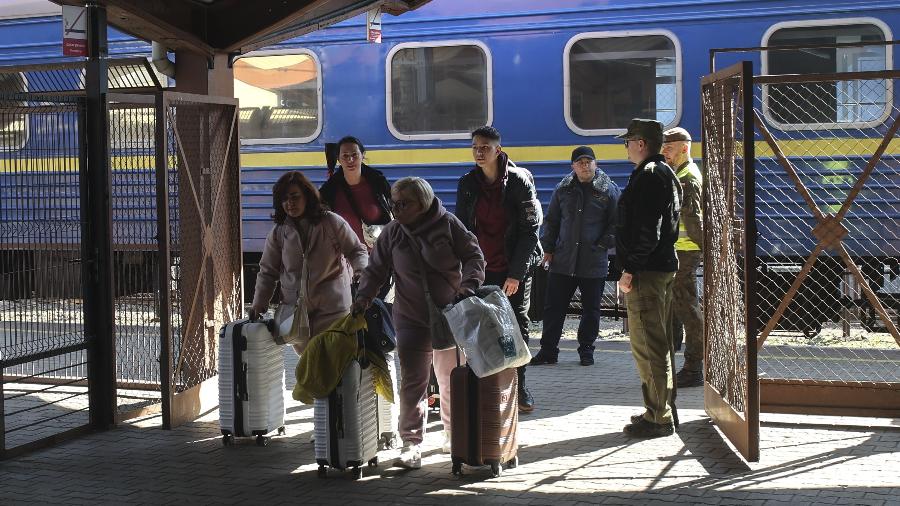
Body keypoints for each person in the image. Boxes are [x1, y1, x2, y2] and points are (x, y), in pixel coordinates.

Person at [352, 177, 485, 470]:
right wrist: (362, 299)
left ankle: (454, 434)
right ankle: (412, 443)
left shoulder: (448, 224)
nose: (395, 209)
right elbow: (375, 271)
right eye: (393, 203)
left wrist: (468, 286)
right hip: (410, 316)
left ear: (422, 202)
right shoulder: (393, 233)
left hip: (449, 314)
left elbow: (474, 256)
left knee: (451, 379)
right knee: (413, 383)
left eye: (403, 203)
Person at [455, 125, 542, 413]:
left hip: (513, 267)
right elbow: (462, 229)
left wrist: (516, 274)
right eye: (475, 147)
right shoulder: (468, 183)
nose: (479, 153)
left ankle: (520, 385)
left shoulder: (519, 181)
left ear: (498, 150)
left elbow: (530, 231)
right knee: (483, 325)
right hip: (482, 267)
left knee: (515, 325)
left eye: (485, 147)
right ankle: (489, 383)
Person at [250, 171, 368, 356]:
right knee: (309, 371)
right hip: (297, 315)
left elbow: (356, 250)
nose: (290, 203)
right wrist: (259, 304)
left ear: (307, 196)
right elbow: (268, 272)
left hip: (334, 310)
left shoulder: (331, 222)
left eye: (295, 197)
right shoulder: (279, 232)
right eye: (284, 199)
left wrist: (361, 270)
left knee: (332, 366)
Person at [615, 119, 682, 438]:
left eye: (627, 141)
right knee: (660, 342)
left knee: (648, 345)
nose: (626, 147)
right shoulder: (664, 172)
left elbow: (648, 230)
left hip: (648, 272)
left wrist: (630, 269)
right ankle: (662, 408)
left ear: (640, 143)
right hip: (661, 268)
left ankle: (659, 416)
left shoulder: (650, 176)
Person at [531, 146, 620, 367]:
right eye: (580, 162)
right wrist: (548, 249)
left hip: (593, 261)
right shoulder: (563, 190)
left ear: (596, 164)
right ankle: (548, 351)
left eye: (589, 161)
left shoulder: (608, 190)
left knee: (591, 309)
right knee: (554, 308)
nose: (585, 165)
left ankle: (586, 351)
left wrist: (601, 244)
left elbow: (618, 222)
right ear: (573, 166)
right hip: (563, 260)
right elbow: (551, 221)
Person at [319, 136, 393, 299]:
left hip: (378, 261)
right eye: (345, 156)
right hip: (344, 263)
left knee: (375, 309)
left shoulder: (377, 182)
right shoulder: (330, 190)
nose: (350, 159)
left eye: (355, 154)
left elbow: (394, 211)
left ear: (363, 155)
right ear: (338, 159)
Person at [661, 127, 705, 388]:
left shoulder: (687, 177)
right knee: (679, 308)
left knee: (687, 309)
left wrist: (703, 249)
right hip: (680, 250)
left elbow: (693, 219)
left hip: (685, 251)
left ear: (684, 148)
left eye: (669, 146)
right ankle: (680, 363)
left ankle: (693, 368)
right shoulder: (680, 173)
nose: (664, 150)